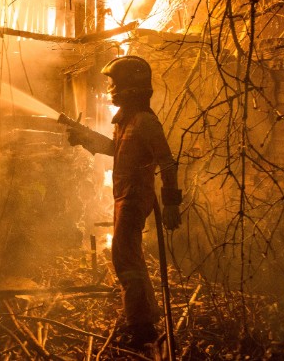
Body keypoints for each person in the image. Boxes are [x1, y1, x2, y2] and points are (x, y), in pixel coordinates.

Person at [67, 55, 183, 350]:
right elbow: (114, 149)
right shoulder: (127, 121)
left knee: (124, 258)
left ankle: (140, 327)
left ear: (130, 87)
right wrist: (85, 137)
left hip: (134, 196)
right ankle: (145, 315)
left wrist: (171, 203)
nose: (111, 89)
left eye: (114, 83)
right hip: (125, 195)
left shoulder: (145, 122)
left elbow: (167, 164)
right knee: (129, 257)